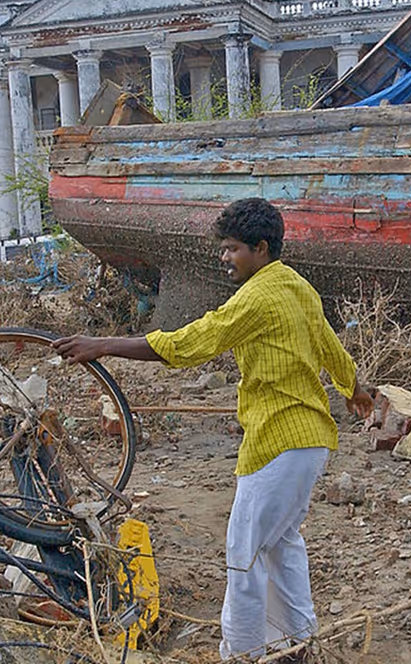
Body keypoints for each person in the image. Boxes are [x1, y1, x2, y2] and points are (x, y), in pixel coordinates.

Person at [52, 198, 373, 660]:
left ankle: (241, 653)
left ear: (262, 249)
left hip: (277, 442)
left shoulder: (258, 297)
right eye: (223, 249)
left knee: (243, 553)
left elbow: (191, 342)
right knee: (281, 544)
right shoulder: (298, 287)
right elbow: (331, 348)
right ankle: (297, 643)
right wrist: (353, 388)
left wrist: (105, 344)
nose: (224, 258)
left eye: (232, 249)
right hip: (311, 441)